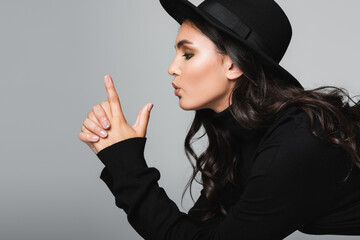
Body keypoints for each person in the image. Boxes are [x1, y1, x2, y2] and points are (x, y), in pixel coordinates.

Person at [78, 0, 360, 239]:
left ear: (233, 65)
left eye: (187, 54)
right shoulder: (243, 139)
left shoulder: (300, 140)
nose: (172, 68)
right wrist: (122, 160)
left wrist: (128, 168)